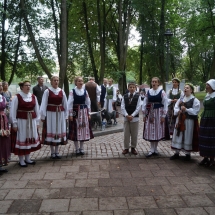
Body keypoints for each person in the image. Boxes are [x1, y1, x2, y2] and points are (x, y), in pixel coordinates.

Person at [10, 80, 41, 167]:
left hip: (31, 121)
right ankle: (21, 160)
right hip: (21, 121)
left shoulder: (33, 96)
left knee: (29, 138)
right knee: (22, 138)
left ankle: (27, 158)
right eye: (26, 85)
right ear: (22, 87)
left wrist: (37, 121)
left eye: (29, 85)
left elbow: (37, 109)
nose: (28, 87)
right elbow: (13, 111)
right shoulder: (17, 97)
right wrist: (14, 123)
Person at [40, 76, 68, 159]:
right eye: (54, 80)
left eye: (57, 80)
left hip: (60, 114)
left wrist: (66, 115)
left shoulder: (61, 91)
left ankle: (57, 151)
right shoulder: (47, 91)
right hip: (50, 114)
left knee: (58, 131)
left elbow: (65, 103)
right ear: (51, 82)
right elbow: (43, 103)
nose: (56, 82)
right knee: (51, 130)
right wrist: (43, 116)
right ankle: (52, 152)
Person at [170, 83, 200, 160]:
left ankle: (187, 154)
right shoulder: (181, 99)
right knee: (178, 134)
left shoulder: (194, 100)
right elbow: (176, 107)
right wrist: (178, 111)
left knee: (188, 135)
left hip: (189, 121)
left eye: (187, 88)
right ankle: (177, 152)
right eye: (185, 88)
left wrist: (186, 110)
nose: (185, 89)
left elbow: (196, 111)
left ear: (191, 90)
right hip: (180, 120)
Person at [142, 77, 168, 157]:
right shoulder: (148, 91)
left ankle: (155, 149)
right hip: (150, 113)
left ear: (158, 83)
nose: (153, 83)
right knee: (150, 130)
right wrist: (144, 114)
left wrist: (163, 115)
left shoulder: (162, 92)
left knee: (157, 130)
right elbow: (144, 102)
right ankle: (151, 149)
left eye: (155, 82)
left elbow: (165, 103)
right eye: (152, 82)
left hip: (158, 113)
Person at [68, 76, 94, 155]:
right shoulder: (72, 91)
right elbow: (69, 103)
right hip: (76, 112)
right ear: (76, 82)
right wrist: (70, 114)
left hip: (84, 112)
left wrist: (89, 113)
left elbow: (88, 103)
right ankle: (76, 149)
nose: (81, 82)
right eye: (79, 81)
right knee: (76, 130)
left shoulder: (85, 91)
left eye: (82, 81)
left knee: (83, 129)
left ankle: (81, 148)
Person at [121, 82, 142, 155]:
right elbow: (122, 107)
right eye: (130, 87)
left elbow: (138, 107)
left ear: (135, 88)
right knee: (126, 134)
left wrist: (132, 115)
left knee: (134, 134)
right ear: (128, 88)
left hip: (135, 118)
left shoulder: (138, 96)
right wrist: (127, 115)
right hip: (126, 118)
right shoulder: (125, 96)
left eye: (133, 87)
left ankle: (133, 147)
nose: (132, 88)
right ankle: (126, 148)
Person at [199, 79, 215, 166]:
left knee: (211, 138)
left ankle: (212, 159)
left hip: (213, 119)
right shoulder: (207, 95)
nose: (206, 86)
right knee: (204, 137)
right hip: (205, 118)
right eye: (206, 85)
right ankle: (205, 157)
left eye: (208, 85)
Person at [0, 81, 11, 173]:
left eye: (0, 85)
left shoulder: (2, 97)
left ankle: (1, 163)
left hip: (3, 120)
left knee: (3, 140)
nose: (0, 87)